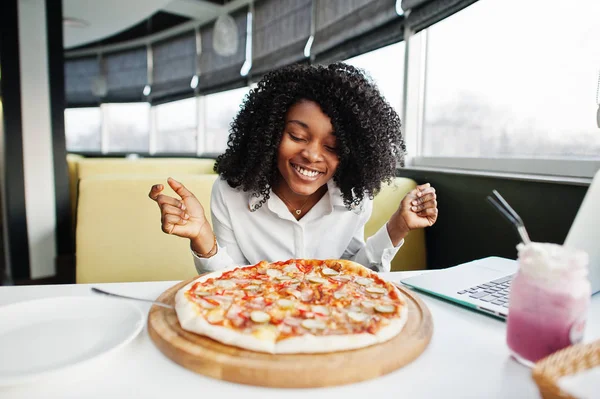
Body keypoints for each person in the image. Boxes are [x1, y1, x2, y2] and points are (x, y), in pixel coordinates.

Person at [148, 62, 438, 274]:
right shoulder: (229, 193)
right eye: (297, 137)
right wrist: (202, 237)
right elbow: (228, 284)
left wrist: (398, 227)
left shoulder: (354, 197)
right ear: (270, 132)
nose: (312, 155)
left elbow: (351, 276)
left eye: (332, 147)